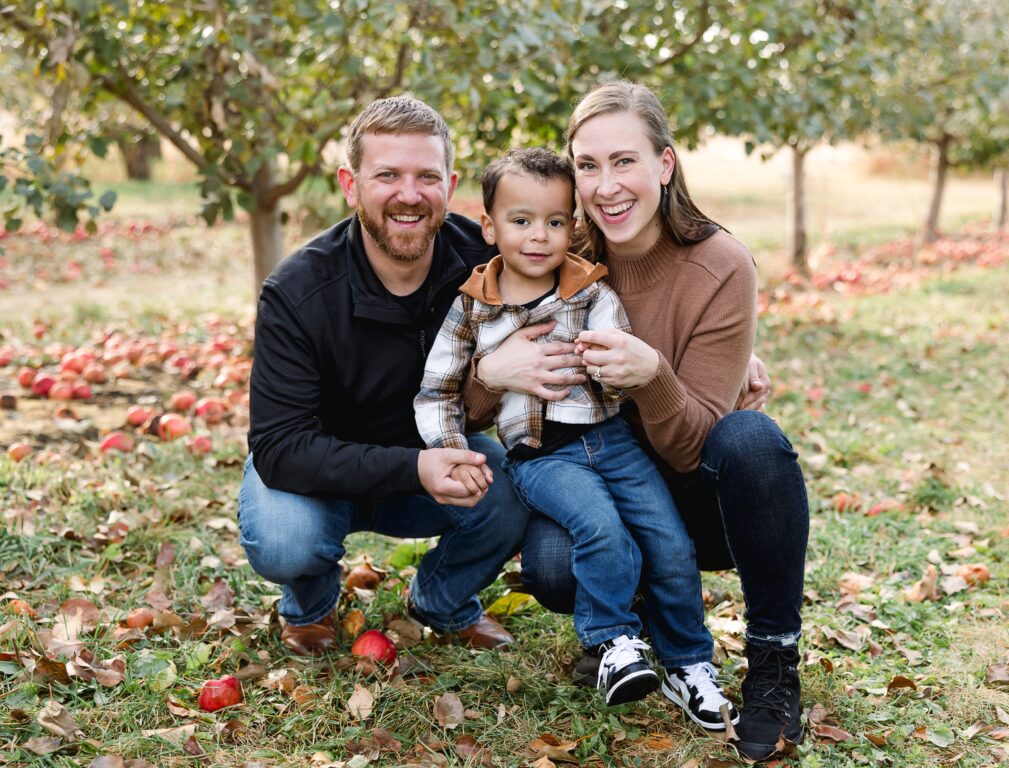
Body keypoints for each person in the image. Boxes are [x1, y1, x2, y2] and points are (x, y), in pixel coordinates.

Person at [465, 81, 810, 762]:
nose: (605, 185)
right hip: (590, 479)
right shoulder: (554, 257)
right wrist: (492, 372)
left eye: (624, 161)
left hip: (687, 490)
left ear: (665, 164)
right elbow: (474, 404)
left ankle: (774, 661)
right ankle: (636, 622)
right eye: (587, 166)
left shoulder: (719, 264)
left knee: (755, 440)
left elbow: (693, 447)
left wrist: (653, 374)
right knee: (554, 568)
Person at [414, 147, 737, 725]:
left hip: (611, 440)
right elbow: (438, 390)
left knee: (668, 539)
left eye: (556, 222)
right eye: (521, 221)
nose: (539, 237)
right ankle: (613, 642)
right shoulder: (471, 309)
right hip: (542, 456)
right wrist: (451, 449)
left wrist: (615, 360)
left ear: (573, 226)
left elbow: (623, 348)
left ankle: (690, 662)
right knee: (600, 528)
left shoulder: (590, 292)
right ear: (488, 226)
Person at [238, 96, 532, 657]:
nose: (409, 194)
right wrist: (414, 466)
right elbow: (278, 448)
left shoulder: (487, 259)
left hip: (437, 458)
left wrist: (704, 350)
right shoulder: (297, 291)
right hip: (318, 474)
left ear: (449, 183)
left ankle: (443, 600)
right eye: (387, 175)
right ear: (351, 185)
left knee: (520, 484)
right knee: (284, 539)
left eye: (427, 176)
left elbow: (589, 274)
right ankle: (311, 606)